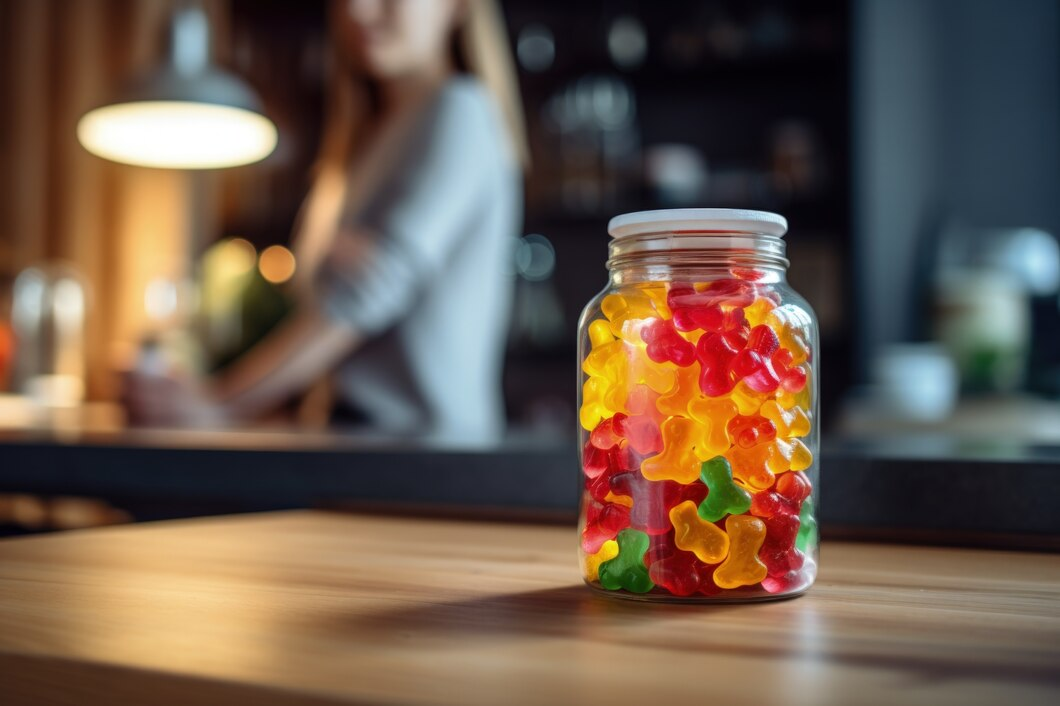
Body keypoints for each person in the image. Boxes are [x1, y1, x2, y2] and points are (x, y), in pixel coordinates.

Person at [125, 0, 527, 442]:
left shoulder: (461, 110)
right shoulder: (358, 148)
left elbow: (361, 299)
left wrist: (220, 403)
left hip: (429, 462)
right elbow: (334, 308)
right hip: (358, 448)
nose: (359, 10)